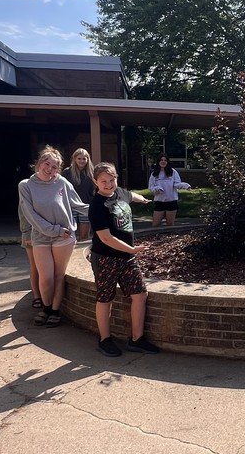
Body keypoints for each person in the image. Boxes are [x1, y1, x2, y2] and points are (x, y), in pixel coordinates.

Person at [89, 162, 160, 356]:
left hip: (127, 258)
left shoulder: (119, 192)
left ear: (116, 178)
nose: (108, 184)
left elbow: (130, 195)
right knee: (105, 298)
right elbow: (105, 238)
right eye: (103, 181)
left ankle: (137, 339)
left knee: (139, 295)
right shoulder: (97, 205)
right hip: (106, 258)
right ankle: (105, 340)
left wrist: (142, 199)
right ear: (96, 182)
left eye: (111, 180)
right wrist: (132, 249)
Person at [18, 145, 89, 327]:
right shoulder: (26, 185)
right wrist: (53, 230)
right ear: (39, 162)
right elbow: (30, 215)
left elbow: (78, 205)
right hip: (41, 237)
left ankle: (54, 310)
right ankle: (46, 306)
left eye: (54, 166)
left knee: (59, 275)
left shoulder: (62, 183)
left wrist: (105, 205)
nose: (49, 169)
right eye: (46, 163)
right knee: (46, 277)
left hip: (64, 236)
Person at [147, 153, 191, 228]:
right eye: (161, 160)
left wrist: (185, 186)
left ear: (167, 162)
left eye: (165, 160)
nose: (163, 162)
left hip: (171, 201)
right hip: (159, 202)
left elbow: (177, 184)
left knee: (170, 225)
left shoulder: (173, 172)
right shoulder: (154, 174)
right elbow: (151, 187)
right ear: (158, 162)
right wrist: (156, 189)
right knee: (155, 224)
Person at [63, 148, 96, 241]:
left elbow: (95, 190)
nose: (82, 161)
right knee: (69, 235)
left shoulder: (91, 173)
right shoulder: (67, 172)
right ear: (74, 159)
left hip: (85, 206)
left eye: (84, 158)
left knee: (84, 236)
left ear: (87, 159)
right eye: (79, 158)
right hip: (71, 206)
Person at [17, 202, 42, 310]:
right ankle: (37, 296)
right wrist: (27, 232)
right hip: (31, 234)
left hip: (49, 233)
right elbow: (23, 213)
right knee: (35, 265)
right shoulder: (26, 186)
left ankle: (46, 296)